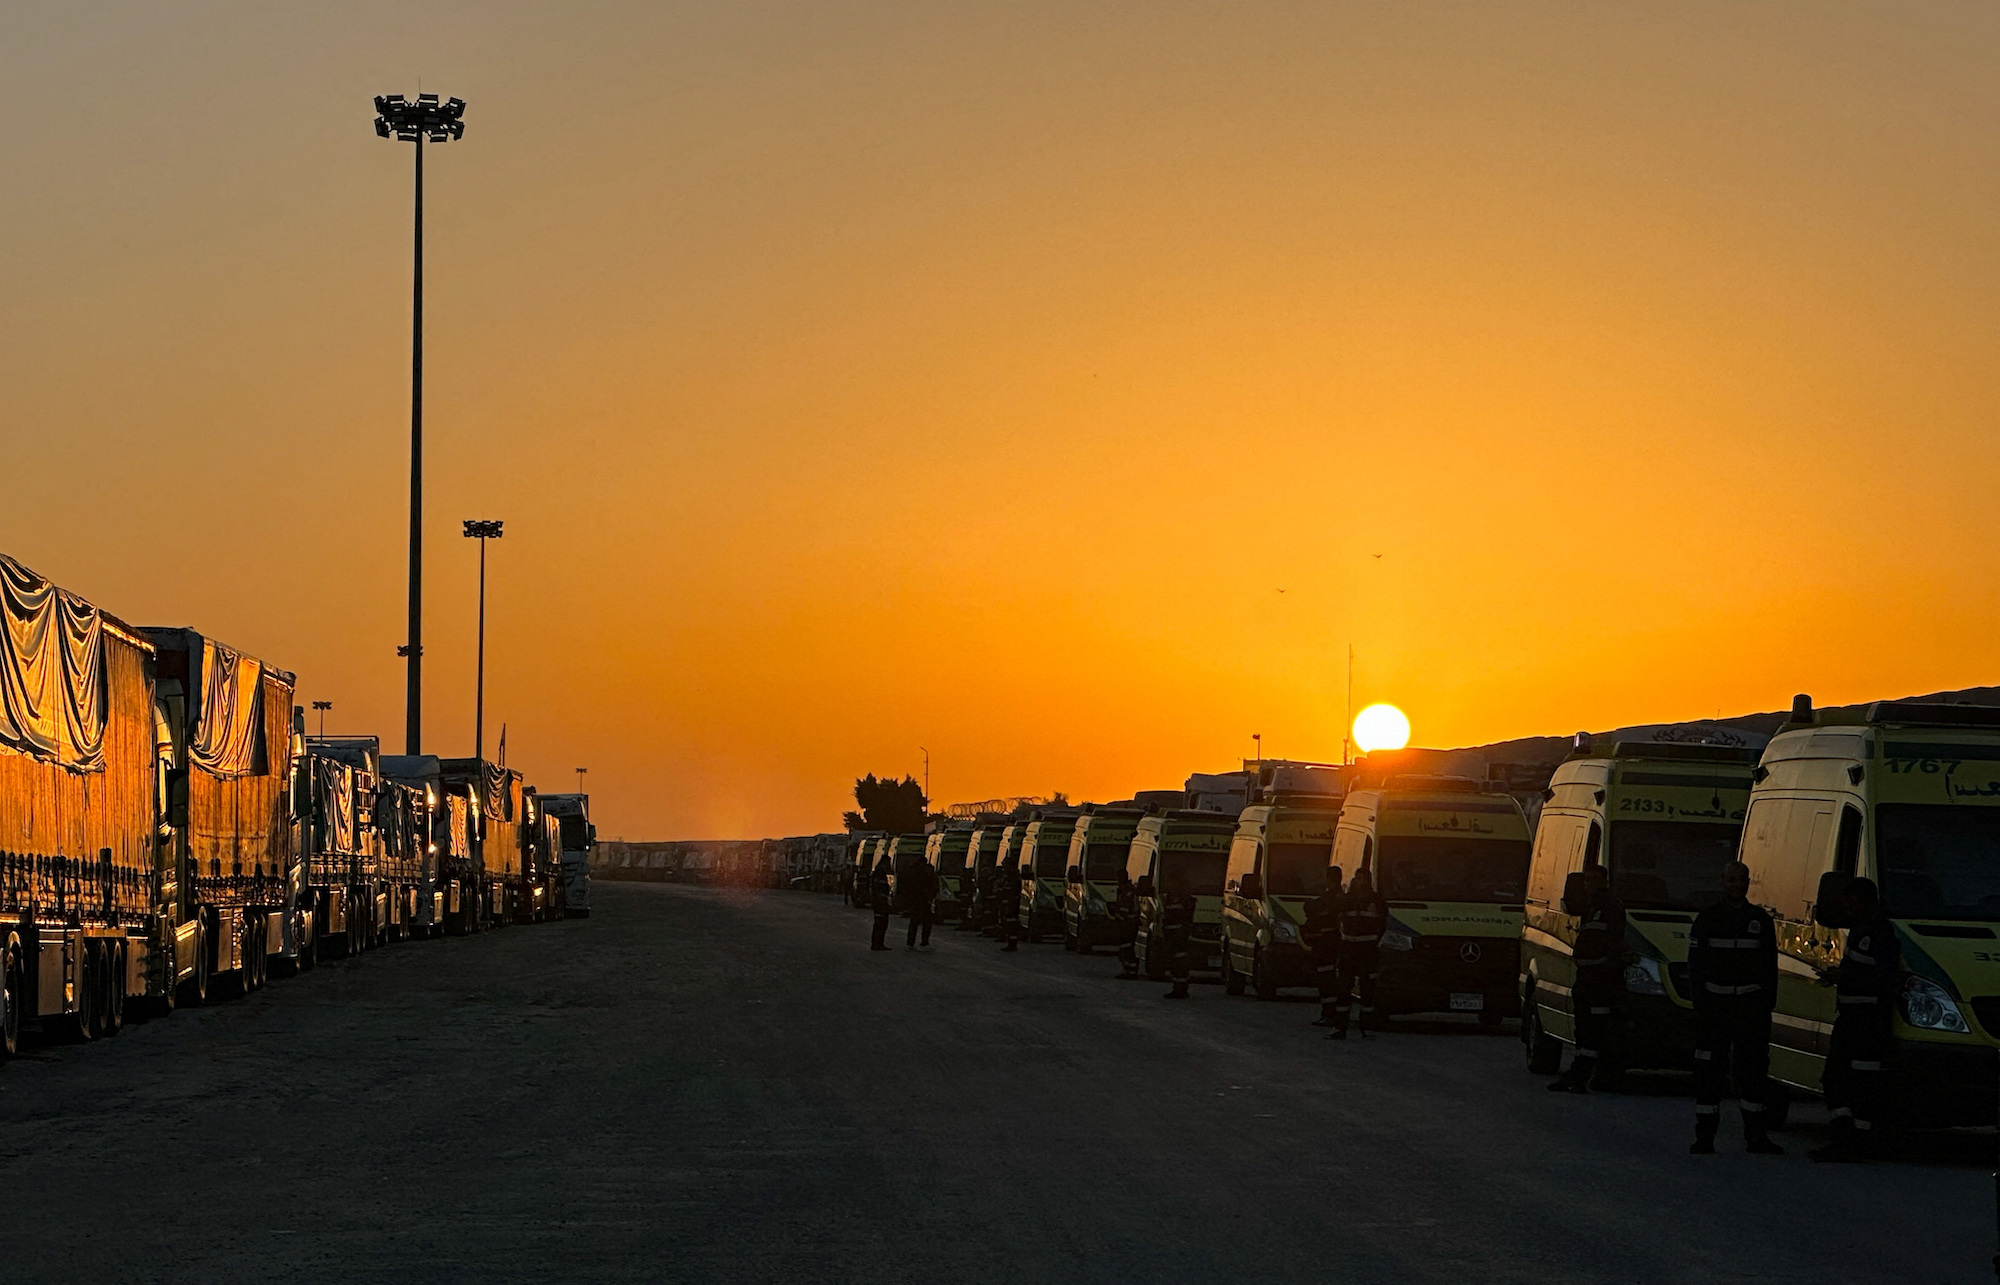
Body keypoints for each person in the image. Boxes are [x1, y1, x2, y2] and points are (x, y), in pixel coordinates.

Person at [1687, 860, 1781, 1155]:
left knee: (1753, 1073)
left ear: (1748, 882)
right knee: (1709, 1075)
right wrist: (1701, 1007)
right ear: (1722, 881)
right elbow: (1695, 967)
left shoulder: (1760, 920)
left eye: (1741, 880)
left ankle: (1756, 1137)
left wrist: (1766, 1006)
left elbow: (1770, 968)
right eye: (1731, 879)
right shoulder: (1707, 920)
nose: (1736, 885)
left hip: (1750, 1011)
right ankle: (1705, 1138)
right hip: (1715, 1009)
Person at [1813, 877, 1899, 1163]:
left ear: (1868, 902)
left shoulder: (1881, 934)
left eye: (1852, 902)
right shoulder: (1860, 930)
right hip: (1850, 1019)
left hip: (1868, 1022)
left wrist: (1844, 977)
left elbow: (1885, 979)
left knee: (1863, 1083)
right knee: (1835, 1078)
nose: (1847, 908)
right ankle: (1845, 1136)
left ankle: (1856, 1141)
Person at [1549, 863, 1626, 1093]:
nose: (1589, 884)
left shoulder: (1610, 907)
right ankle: (1580, 1075)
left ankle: (1589, 1077)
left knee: (1595, 1030)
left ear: (1605, 882)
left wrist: (1607, 969)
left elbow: (1614, 942)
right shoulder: (1591, 907)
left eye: (1593, 880)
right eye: (1586, 880)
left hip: (1601, 981)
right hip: (1587, 978)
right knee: (1583, 1029)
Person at [1328, 868, 1387, 1038]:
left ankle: (1367, 1026)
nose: (1359, 882)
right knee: (1343, 987)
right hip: (1348, 948)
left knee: (1368, 988)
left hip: (1368, 949)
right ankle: (1340, 1027)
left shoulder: (1377, 901)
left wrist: (1375, 941)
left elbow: (1383, 924)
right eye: (1357, 878)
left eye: (1363, 879)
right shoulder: (1347, 900)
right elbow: (1334, 914)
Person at [1305, 865, 1345, 1027]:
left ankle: (1330, 1013)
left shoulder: (1330, 899)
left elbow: (1313, 910)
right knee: (1331, 980)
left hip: (1326, 945)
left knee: (1326, 981)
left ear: (1328, 879)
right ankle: (1333, 1013)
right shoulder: (1340, 898)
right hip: (1333, 944)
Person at [1160, 869, 1196, 999]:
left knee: (1179, 962)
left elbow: (1182, 917)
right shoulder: (1172, 896)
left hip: (1179, 936)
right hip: (1173, 935)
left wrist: (1178, 932)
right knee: (1175, 962)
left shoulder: (1181, 897)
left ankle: (1180, 988)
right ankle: (1178, 987)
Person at [1112, 871, 1143, 980]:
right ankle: (1128, 970)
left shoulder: (1127, 892)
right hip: (1128, 923)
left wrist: (1118, 917)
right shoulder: (1125, 890)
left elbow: (1124, 910)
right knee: (1125, 947)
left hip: (1128, 924)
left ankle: (1131, 971)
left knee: (1127, 947)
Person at [905, 858, 938, 951]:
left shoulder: (913, 871)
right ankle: (924, 942)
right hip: (923, 900)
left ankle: (911, 942)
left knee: (914, 922)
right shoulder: (922, 872)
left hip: (917, 901)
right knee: (925, 922)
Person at [868, 855, 893, 951]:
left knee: (880, 923)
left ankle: (878, 943)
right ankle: (877, 944)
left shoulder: (878, 872)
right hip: (880, 903)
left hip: (879, 902)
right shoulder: (879, 873)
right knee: (880, 923)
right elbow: (880, 889)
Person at [997, 849, 1022, 952]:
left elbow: (1011, 892)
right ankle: (1009, 942)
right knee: (1008, 924)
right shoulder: (1007, 877)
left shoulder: (1013, 877)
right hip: (1007, 904)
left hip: (1012, 905)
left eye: (1005, 866)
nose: (1004, 868)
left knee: (1011, 925)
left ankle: (1012, 944)